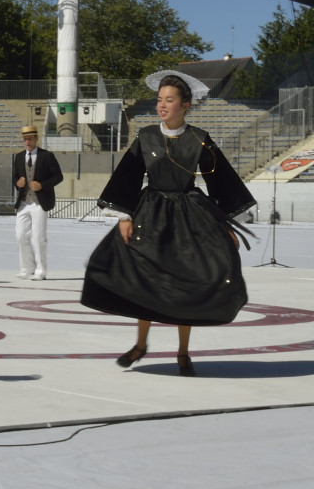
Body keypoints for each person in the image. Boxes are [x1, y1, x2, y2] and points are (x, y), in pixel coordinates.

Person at [81, 71, 256, 377]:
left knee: (186, 281)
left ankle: (183, 352)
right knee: (143, 278)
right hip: (150, 214)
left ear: (185, 105)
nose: (162, 105)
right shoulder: (146, 136)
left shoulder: (199, 139)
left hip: (189, 217)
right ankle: (140, 344)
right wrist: (124, 215)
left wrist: (227, 225)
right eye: (159, 99)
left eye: (169, 100)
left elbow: (221, 180)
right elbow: (127, 176)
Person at [12, 124, 63, 281]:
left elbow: (58, 177)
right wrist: (18, 183)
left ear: (36, 139)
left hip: (39, 202)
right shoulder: (19, 157)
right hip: (24, 202)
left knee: (38, 237)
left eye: (30, 139)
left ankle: (41, 271)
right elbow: (15, 177)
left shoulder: (47, 156)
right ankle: (27, 268)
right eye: (25, 139)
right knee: (20, 235)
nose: (27, 142)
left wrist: (42, 185)